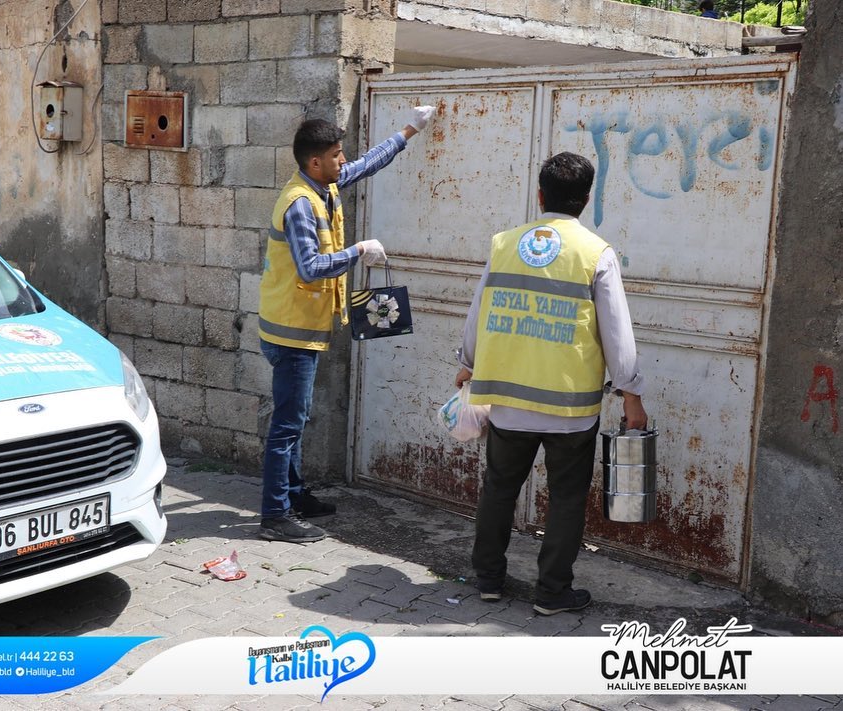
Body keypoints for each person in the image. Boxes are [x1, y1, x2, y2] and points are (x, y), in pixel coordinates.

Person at [454, 152, 648, 615]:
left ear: (540, 195)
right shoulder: (594, 253)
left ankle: (488, 580)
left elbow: (479, 308)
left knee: (499, 488)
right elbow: (618, 334)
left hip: (507, 402)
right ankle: (552, 592)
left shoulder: (504, 243)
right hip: (568, 409)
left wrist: (467, 362)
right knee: (565, 498)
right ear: (586, 199)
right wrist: (632, 397)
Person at [257, 106, 436, 543]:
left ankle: (295, 497)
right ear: (314, 162)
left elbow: (368, 163)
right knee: (287, 425)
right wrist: (358, 252)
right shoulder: (301, 204)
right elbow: (311, 267)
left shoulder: (324, 186)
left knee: (295, 420)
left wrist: (410, 128)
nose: (344, 160)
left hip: (304, 327)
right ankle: (274, 516)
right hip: (291, 332)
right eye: (337, 155)